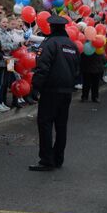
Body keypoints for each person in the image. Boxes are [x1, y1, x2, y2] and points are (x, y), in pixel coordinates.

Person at [29, 15, 80, 171]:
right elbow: (77, 69)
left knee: (45, 124)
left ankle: (46, 160)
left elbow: (42, 68)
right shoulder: (72, 45)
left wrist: (35, 88)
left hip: (50, 90)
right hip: (67, 91)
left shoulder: (49, 44)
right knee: (61, 125)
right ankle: (58, 158)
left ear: (51, 27)